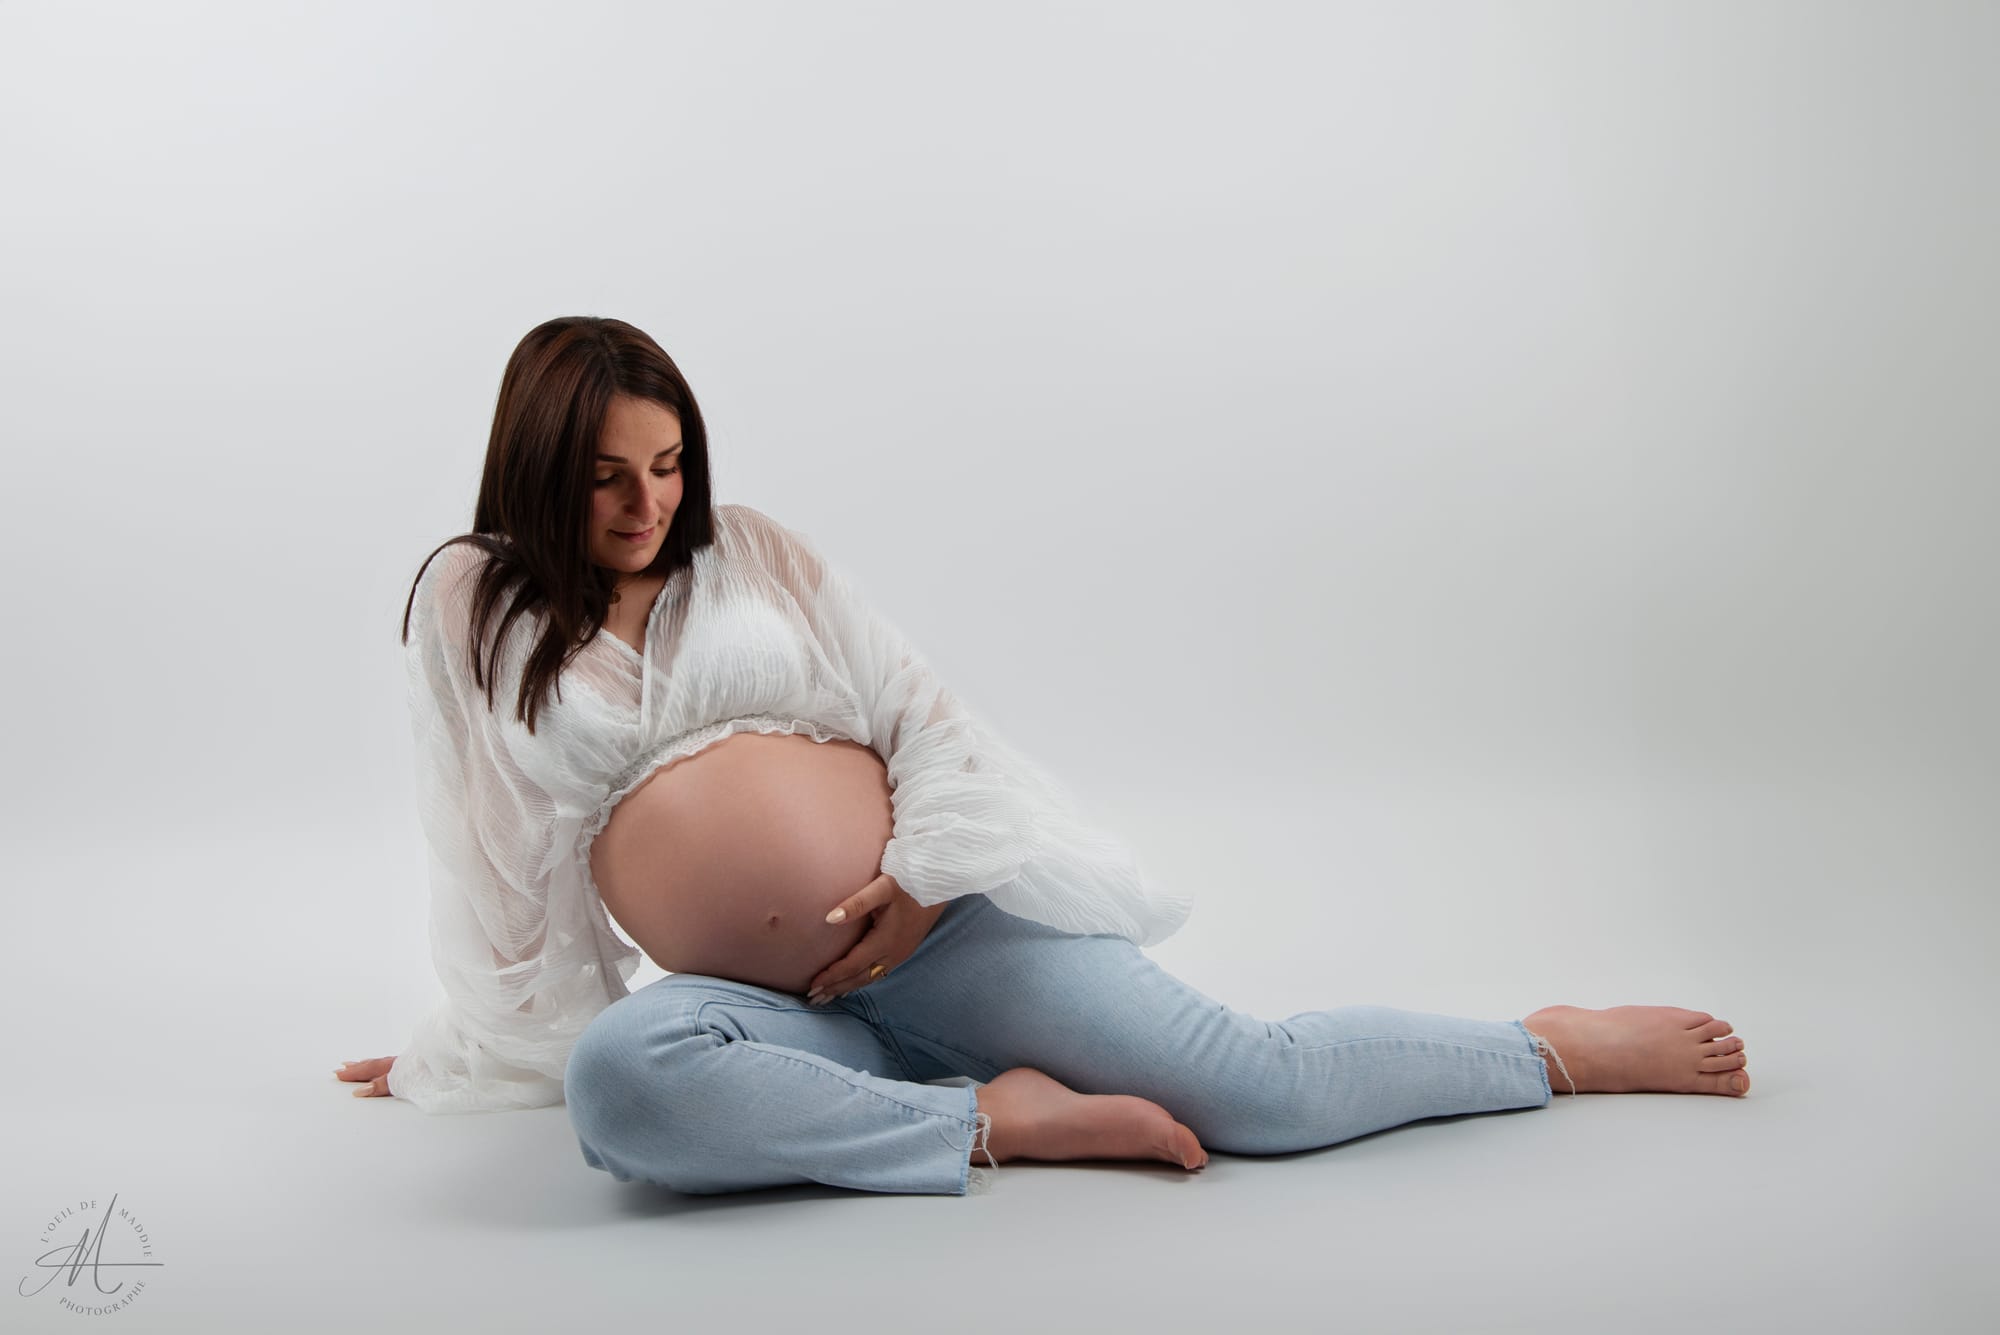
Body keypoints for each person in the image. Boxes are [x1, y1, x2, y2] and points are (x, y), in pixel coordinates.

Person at [337, 315, 1750, 1196]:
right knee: (619, 1090)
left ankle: (1546, 1049)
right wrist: (458, 1047)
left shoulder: (754, 554)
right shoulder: (475, 601)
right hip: (762, 1009)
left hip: (953, 937)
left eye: (667, 465)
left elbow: (921, 715)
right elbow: (489, 857)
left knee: (1257, 1089)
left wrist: (927, 876)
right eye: (604, 475)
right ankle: (988, 1125)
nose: (649, 502)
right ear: (535, 465)